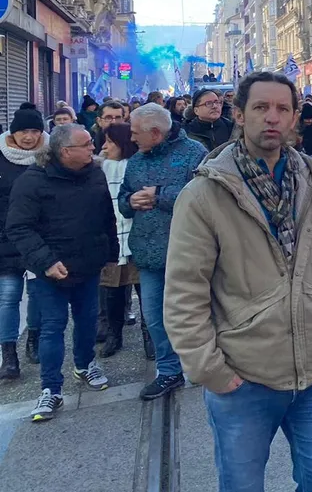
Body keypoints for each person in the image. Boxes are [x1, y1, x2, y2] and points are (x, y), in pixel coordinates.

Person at [165, 71, 312, 492]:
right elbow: (184, 291)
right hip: (244, 372)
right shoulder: (205, 194)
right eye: (261, 108)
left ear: (294, 117)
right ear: (240, 115)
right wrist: (209, 369)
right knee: (242, 484)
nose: (272, 117)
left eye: (282, 109)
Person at [6, 125, 117, 421]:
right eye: (86, 145)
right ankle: (51, 389)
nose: (93, 148)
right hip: (50, 272)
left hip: (88, 264)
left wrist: (110, 253)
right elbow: (19, 227)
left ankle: (84, 364)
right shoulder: (32, 181)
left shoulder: (94, 174)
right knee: (53, 327)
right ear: (65, 151)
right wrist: (46, 262)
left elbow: (106, 215)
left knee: (87, 320)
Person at [119, 103, 207, 401]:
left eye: (135, 133)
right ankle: (169, 372)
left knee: (196, 313)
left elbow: (204, 196)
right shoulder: (136, 161)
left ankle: (204, 364)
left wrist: (159, 196)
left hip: (189, 251)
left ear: (155, 133)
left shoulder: (193, 153)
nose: (131, 138)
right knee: (155, 316)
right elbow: (122, 200)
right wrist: (131, 200)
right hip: (148, 252)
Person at [0, 105, 47, 380]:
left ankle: (34, 339)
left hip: (38, 240)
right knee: (8, 298)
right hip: (5, 239)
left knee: (39, 296)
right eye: (22, 131)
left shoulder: (48, 156)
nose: (28, 137)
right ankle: (9, 354)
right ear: (12, 132)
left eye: (34, 131)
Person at [97, 122, 141, 358]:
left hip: (137, 237)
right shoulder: (99, 169)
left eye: (111, 142)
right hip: (111, 240)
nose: (105, 147)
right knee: (112, 291)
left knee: (145, 291)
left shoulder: (137, 167)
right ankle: (114, 335)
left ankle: (150, 338)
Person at [184, 88, 234, 152]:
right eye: (208, 103)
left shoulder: (232, 128)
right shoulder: (187, 131)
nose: (215, 106)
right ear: (196, 110)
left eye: (217, 102)